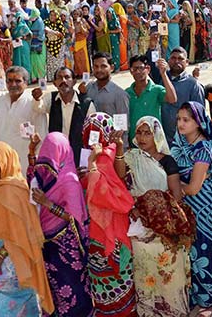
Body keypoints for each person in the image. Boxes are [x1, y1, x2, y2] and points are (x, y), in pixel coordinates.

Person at [114, 116, 195, 317]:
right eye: (139, 132)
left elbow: (176, 195)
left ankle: (174, 311)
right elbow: (121, 177)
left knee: (169, 273)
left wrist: (156, 206)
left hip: (164, 225)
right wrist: (118, 150)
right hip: (140, 226)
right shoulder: (131, 156)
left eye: (147, 133)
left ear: (156, 135)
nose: (142, 137)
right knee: (145, 273)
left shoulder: (168, 161)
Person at [0, 142, 55, 316]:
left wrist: (0, 256)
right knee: (19, 295)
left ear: (3, 163)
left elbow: (19, 232)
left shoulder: (12, 190)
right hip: (2, 250)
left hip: (16, 252)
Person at [26, 133, 93, 316]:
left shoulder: (69, 180)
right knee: (53, 289)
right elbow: (33, 177)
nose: (48, 161)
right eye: (46, 155)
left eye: (52, 154)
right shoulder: (49, 172)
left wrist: (47, 204)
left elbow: (73, 217)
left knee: (71, 288)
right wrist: (32, 152)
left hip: (65, 247)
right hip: (46, 243)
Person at [81, 113, 137, 316]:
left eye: (94, 131)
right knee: (109, 278)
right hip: (104, 229)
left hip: (106, 229)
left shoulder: (104, 157)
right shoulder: (93, 156)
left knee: (113, 277)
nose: (91, 136)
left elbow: (105, 193)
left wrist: (92, 166)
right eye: (89, 131)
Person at [170, 102, 212, 316]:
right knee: (189, 251)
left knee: (204, 250)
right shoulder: (180, 142)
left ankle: (210, 300)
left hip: (203, 204)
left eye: (186, 120)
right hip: (185, 206)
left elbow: (193, 187)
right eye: (179, 119)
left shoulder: (204, 148)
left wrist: (175, 186)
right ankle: (195, 296)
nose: (181, 124)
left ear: (198, 123)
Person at [0, 66, 47, 175]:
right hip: (2, 158)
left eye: (18, 81)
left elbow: (42, 133)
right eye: (9, 81)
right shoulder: (0, 100)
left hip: (24, 161)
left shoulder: (33, 103)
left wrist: (36, 160)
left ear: (26, 83)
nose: (13, 85)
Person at [32, 66, 96, 166]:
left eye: (67, 77)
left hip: (79, 154)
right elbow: (39, 108)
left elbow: (93, 131)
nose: (63, 81)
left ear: (74, 81)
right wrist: (37, 99)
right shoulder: (51, 98)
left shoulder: (86, 103)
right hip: (57, 154)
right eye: (59, 78)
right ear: (54, 83)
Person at [125, 55, 177, 142]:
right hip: (135, 141)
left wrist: (163, 74)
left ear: (148, 69)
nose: (138, 72)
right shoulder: (127, 93)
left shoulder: (157, 90)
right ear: (131, 71)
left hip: (155, 141)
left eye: (141, 68)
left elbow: (172, 99)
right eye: (135, 69)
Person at [161, 48, 205, 142]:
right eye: (173, 58)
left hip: (185, 141)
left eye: (180, 59)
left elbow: (199, 116)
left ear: (187, 62)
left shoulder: (193, 85)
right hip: (163, 139)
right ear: (168, 61)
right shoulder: (162, 79)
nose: (176, 61)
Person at [83, 52, 130, 117]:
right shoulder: (88, 88)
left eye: (103, 66)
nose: (99, 70)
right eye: (96, 66)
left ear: (112, 68)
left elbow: (122, 125)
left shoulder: (119, 94)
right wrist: (81, 94)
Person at [44, 10, 67, 81]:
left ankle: (60, 77)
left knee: (59, 63)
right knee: (50, 63)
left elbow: (62, 34)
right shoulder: (46, 22)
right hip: (49, 46)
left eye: (54, 15)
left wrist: (53, 32)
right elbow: (45, 30)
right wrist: (53, 32)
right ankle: (51, 78)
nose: (52, 17)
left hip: (59, 46)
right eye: (51, 15)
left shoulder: (59, 23)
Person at [28, 9, 47, 82]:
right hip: (33, 44)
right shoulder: (32, 21)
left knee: (40, 61)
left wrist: (32, 36)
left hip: (39, 44)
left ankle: (41, 76)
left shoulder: (40, 22)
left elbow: (41, 35)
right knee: (33, 60)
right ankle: (34, 76)